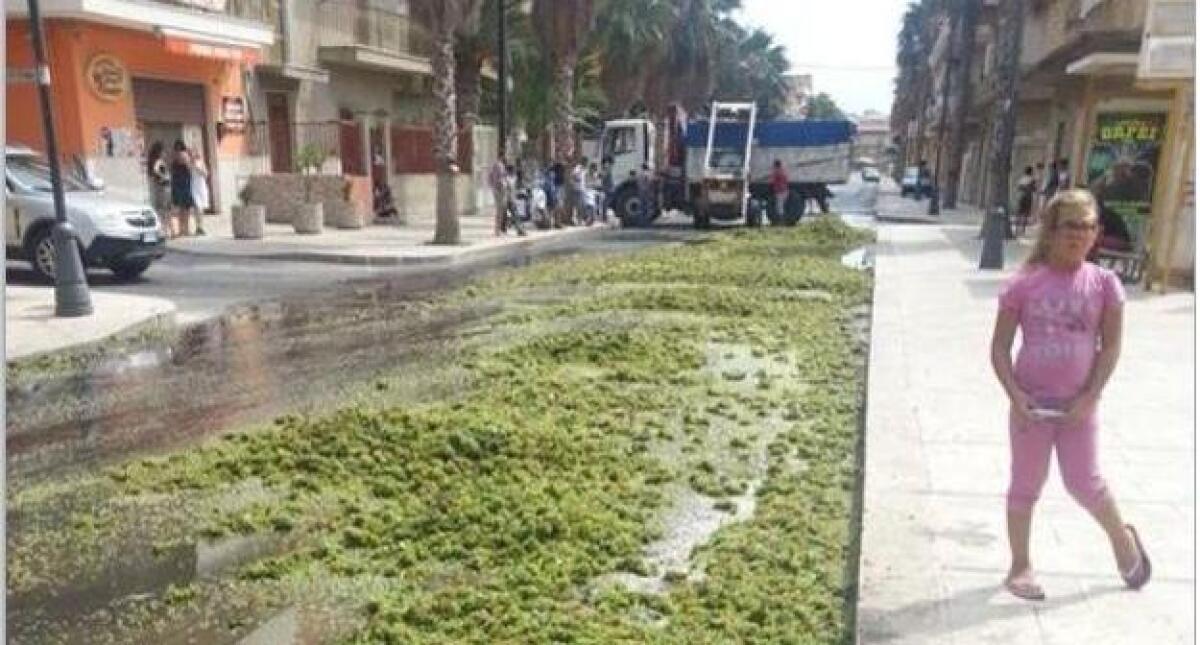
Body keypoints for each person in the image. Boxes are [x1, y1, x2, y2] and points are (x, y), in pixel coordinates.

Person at [989, 189, 1150, 602]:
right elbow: (999, 349)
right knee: (1026, 483)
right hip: (1031, 406)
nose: (1079, 234)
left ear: (1097, 232)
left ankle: (1121, 538)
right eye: (1070, 226)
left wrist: (1091, 396)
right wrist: (1014, 395)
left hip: (1080, 405)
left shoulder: (1105, 284)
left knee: (1085, 482)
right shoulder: (1024, 285)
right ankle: (1020, 565)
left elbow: (1110, 347)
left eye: (1088, 226)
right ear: (1051, 231)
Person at [169, 140, 195, 238]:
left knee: (178, 209)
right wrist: (191, 158)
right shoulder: (184, 155)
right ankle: (185, 230)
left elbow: (172, 171)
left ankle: (179, 230)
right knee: (186, 209)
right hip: (184, 184)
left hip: (176, 185)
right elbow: (189, 168)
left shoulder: (174, 158)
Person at [146, 142, 171, 236]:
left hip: (160, 186)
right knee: (164, 209)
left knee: (162, 208)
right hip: (163, 187)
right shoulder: (159, 161)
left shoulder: (155, 160)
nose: (165, 153)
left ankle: (164, 229)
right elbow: (155, 170)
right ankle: (165, 229)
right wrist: (164, 176)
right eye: (163, 151)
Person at [189, 148, 209, 235]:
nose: (192, 155)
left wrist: (198, 169)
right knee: (197, 207)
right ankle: (198, 227)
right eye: (191, 154)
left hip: (202, 186)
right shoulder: (190, 163)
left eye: (194, 153)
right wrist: (193, 165)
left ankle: (200, 227)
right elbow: (189, 171)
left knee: (201, 208)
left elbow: (206, 174)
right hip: (194, 187)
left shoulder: (201, 162)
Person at [1015, 166, 1036, 236]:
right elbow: (1034, 189)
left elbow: (1018, 188)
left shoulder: (1021, 179)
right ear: (1030, 172)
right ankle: (1022, 230)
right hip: (1028, 197)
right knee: (1025, 214)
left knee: (1019, 213)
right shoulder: (1032, 180)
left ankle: (1016, 229)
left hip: (1020, 196)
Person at [489, 155, 508, 235]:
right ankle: (497, 230)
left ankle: (498, 229)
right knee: (500, 210)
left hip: (496, 189)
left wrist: (492, 186)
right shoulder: (500, 166)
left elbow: (490, 177)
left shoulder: (494, 166)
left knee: (499, 210)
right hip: (500, 190)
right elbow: (501, 179)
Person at [600, 158, 614, 223]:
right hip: (608, 189)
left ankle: (604, 217)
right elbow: (603, 176)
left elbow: (603, 176)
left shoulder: (607, 169)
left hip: (608, 189)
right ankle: (604, 217)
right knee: (605, 203)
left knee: (605, 203)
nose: (606, 164)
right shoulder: (608, 169)